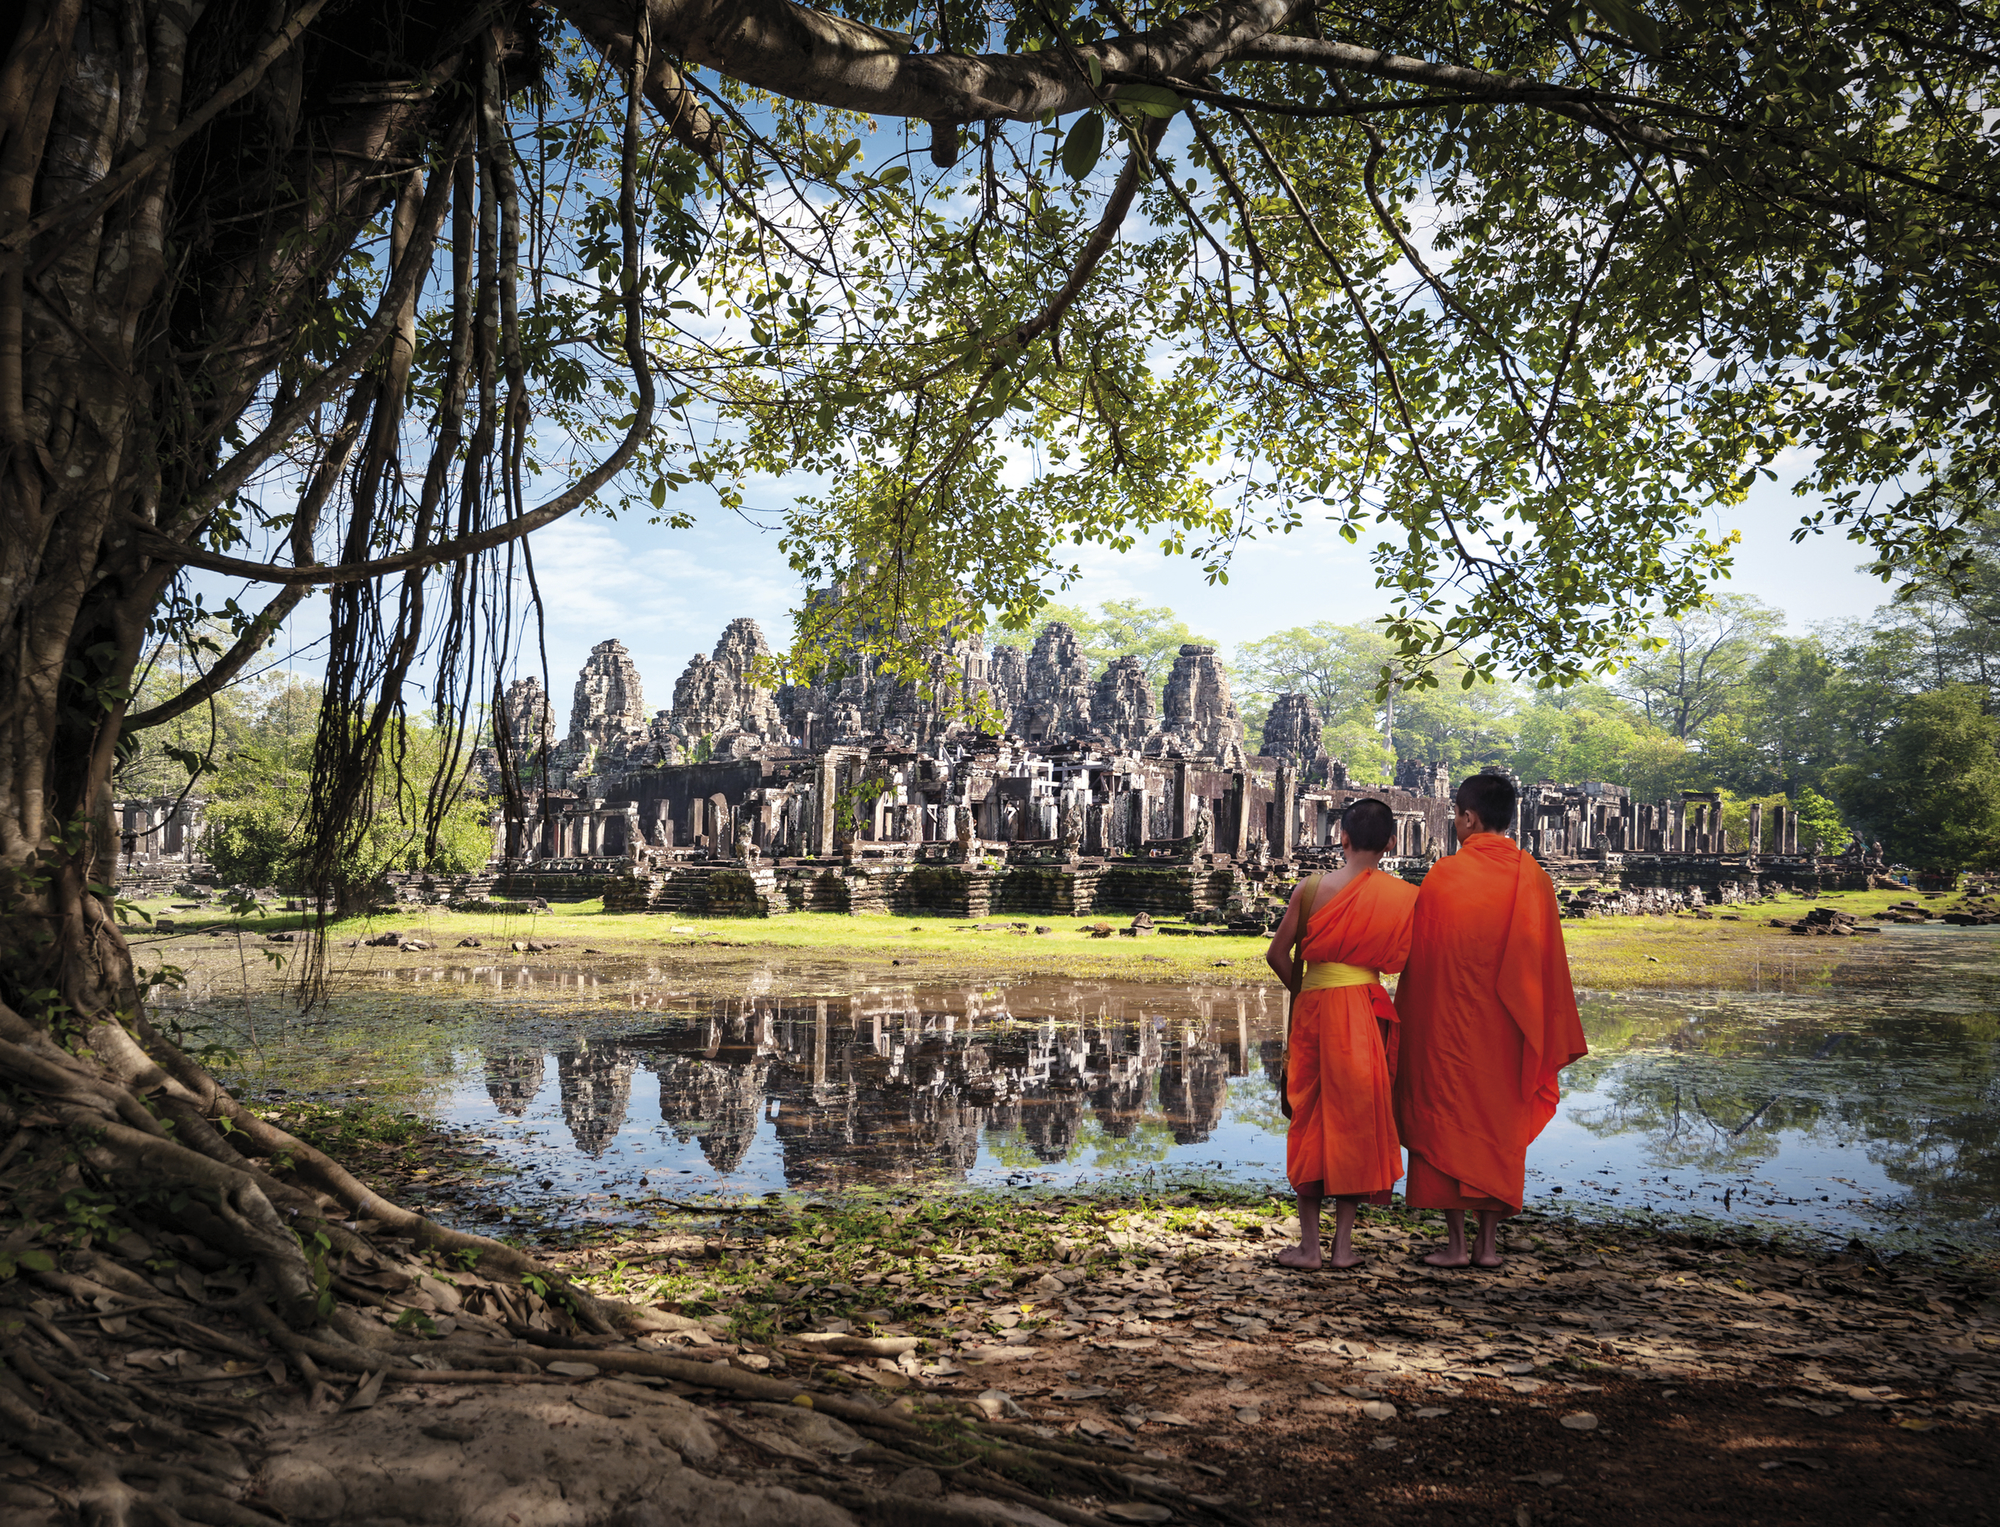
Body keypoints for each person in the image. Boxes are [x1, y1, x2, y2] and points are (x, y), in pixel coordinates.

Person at [1393, 774, 1588, 1268]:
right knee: (1497, 1124)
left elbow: (1423, 963)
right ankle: (1487, 1246)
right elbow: (1547, 965)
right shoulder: (1535, 878)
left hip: (1448, 1030)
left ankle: (1457, 1245)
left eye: (1456, 815)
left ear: (1469, 818)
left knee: (1446, 1121)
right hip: (1509, 1032)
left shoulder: (1444, 876)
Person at [1264, 798, 1418, 1270]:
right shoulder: (1404, 896)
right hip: (1364, 1012)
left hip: (1315, 1011)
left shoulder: (1310, 890)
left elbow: (1277, 954)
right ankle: (1343, 1248)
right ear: (1392, 843)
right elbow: (1405, 961)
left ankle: (1308, 1247)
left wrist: (1311, 989)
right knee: (1356, 1120)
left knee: (1309, 1117)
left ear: (1343, 838)